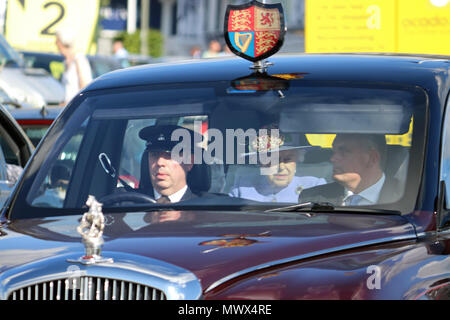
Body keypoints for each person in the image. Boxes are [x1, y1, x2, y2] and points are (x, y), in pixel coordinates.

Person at [298, 133, 402, 206]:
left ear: (372, 158)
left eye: (344, 151)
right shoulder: (311, 199)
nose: (332, 158)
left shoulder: (407, 198)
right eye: (334, 151)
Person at [229, 129, 326, 203]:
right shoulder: (242, 188)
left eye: (288, 159)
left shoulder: (315, 186)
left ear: (297, 159)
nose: (281, 167)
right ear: (260, 162)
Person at [137, 125, 201, 203]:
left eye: (170, 155)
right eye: (154, 155)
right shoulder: (126, 205)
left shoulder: (206, 210)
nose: (160, 163)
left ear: (189, 162)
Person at [55, 28, 93, 105]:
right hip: (68, 108)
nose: (55, 43)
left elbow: (84, 87)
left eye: (57, 40)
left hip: (77, 108)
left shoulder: (79, 59)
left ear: (63, 42)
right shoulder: (66, 62)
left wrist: (70, 104)